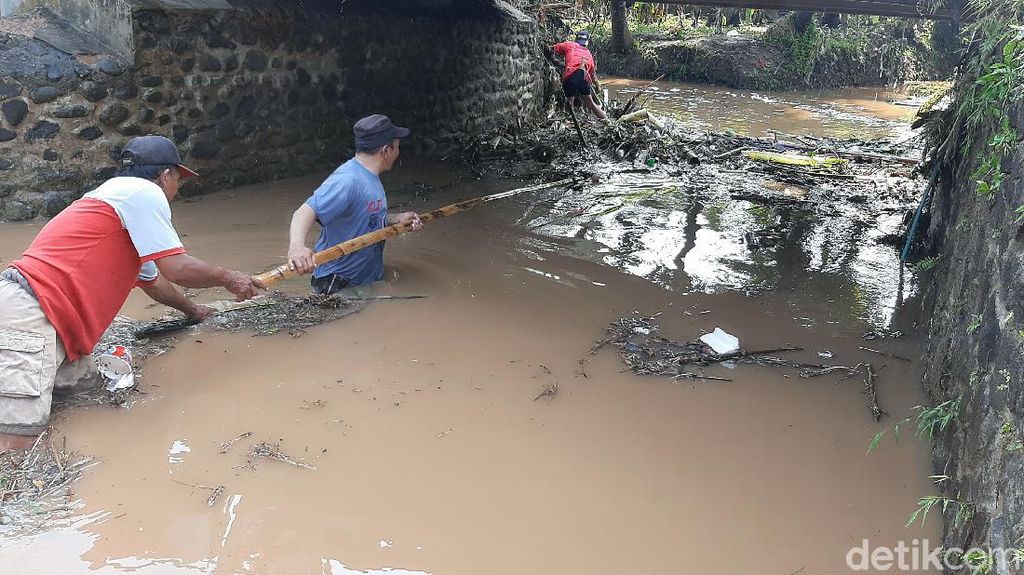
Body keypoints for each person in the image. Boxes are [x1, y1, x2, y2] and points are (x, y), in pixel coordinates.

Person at [0, 135, 263, 451]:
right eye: (178, 180)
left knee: (85, 397)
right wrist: (228, 277)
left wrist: (194, 311)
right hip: (31, 314)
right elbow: (177, 269)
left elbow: (153, 282)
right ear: (165, 175)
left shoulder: (114, 204)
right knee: (17, 442)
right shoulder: (145, 193)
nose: (176, 189)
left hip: (55, 325)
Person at [287, 114, 422, 294]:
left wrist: (396, 219)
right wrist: (296, 247)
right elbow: (304, 212)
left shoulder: (370, 177)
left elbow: (366, 219)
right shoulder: (348, 180)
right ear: (385, 151)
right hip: (337, 285)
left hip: (363, 282)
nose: (399, 152)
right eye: (397, 147)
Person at [550, 30, 608, 120]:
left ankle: (569, 120)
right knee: (591, 104)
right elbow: (593, 75)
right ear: (587, 42)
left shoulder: (570, 45)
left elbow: (553, 48)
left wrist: (554, 59)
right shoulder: (589, 55)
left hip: (570, 75)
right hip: (583, 77)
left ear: (576, 39)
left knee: (569, 103)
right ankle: (606, 118)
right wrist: (598, 86)